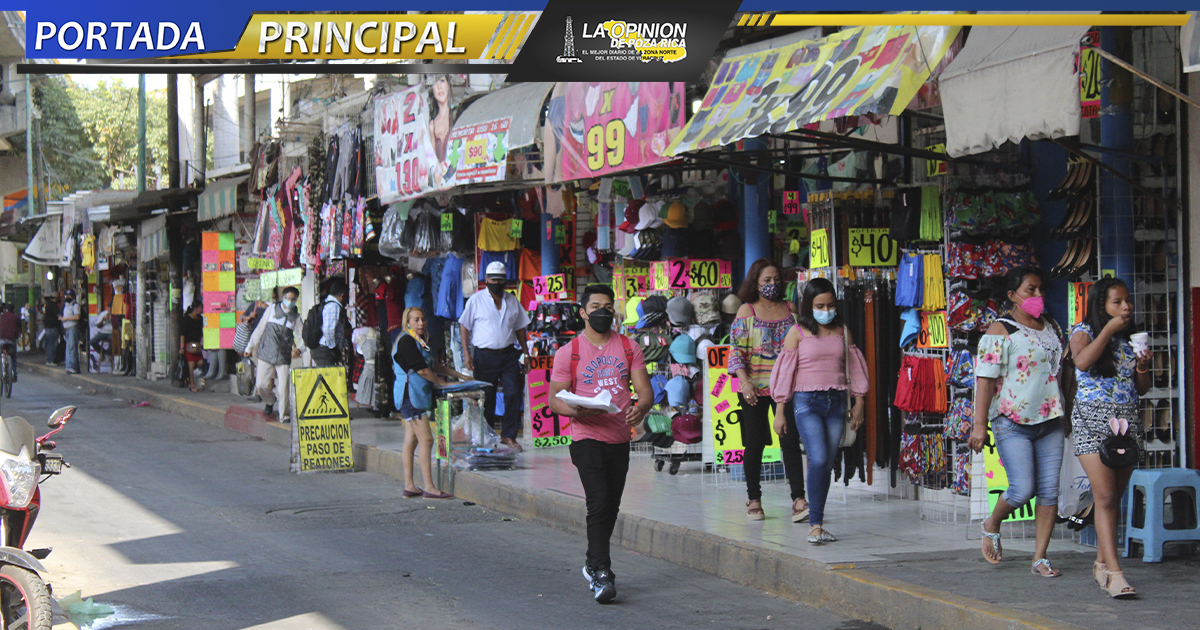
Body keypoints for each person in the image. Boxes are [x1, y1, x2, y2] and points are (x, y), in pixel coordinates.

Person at [546, 284, 652, 604]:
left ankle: (592, 562)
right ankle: (602, 573)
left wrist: (640, 408)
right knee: (599, 501)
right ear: (583, 312)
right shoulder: (570, 352)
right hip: (585, 436)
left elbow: (645, 392)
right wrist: (577, 409)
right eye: (595, 306)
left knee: (612, 506)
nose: (602, 312)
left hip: (619, 436)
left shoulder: (629, 347)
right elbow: (554, 400)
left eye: (608, 306)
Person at [969, 266, 1066, 578]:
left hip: (1051, 419)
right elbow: (985, 381)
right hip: (1012, 421)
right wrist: (978, 424)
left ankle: (1040, 557)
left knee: (1049, 491)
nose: (1038, 296)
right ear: (1012, 296)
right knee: (1023, 490)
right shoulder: (1000, 331)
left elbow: (1063, 371)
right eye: (1030, 290)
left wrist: (1069, 410)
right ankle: (992, 522)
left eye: (1040, 290)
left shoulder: (1050, 325)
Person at [770, 278, 868, 544]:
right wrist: (780, 410)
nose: (826, 310)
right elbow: (785, 373)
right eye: (820, 305)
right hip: (806, 402)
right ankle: (815, 524)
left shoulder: (843, 331)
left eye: (830, 304)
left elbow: (855, 368)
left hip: (835, 403)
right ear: (808, 306)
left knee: (826, 463)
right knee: (820, 457)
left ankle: (818, 522)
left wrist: (859, 402)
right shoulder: (797, 332)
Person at [1068, 277, 1149, 598]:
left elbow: (1142, 389)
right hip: (1091, 420)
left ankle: (1102, 565)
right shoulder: (1083, 331)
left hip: (1127, 422)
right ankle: (1116, 573)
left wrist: (1143, 367)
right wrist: (1108, 330)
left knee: (1114, 497)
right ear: (1102, 305)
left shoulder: (1132, 338)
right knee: (1103, 496)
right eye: (1117, 302)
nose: (1126, 307)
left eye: (1127, 301)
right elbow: (1082, 361)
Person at [729, 258, 807, 522]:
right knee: (754, 442)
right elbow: (736, 351)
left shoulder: (791, 309)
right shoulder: (746, 311)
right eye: (766, 280)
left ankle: (798, 498)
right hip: (753, 388)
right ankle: (754, 498)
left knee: (790, 440)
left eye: (776, 279)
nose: (772, 284)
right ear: (755, 283)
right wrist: (744, 381)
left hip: (786, 388)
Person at [392, 307, 468, 499]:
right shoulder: (406, 341)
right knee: (427, 439)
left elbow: (431, 365)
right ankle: (430, 487)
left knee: (412, 439)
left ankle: (410, 486)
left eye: (423, 319)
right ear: (407, 322)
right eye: (416, 320)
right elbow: (422, 371)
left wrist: (458, 375)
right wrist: (443, 383)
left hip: (416, 395)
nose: (421, 323)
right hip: (410, 395)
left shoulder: (420, 342)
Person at [460, 261, 531, 451]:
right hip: (484, 356)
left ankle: (509, 436)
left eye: (500, 280)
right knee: (486, 397)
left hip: (508, 355)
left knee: (513, 394)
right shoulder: (476, 300)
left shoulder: (512, 300)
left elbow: (520, 328)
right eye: (492, 279)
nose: (496, 283)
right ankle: (487, 436)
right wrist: (467, 354)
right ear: (486, 280)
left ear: (505, 281)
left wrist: (526, 353)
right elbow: (464, 326)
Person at [245, 287, 303, 421]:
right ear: (283, 297)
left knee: (284, 388)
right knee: (261, 385)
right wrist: (249, 347)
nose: (290, 301)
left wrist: (300, 349)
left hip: (283, 356)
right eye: (288, 298)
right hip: (266, 353)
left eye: (293, 299)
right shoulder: (271, 309)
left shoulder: (296, 318)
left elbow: (302, 337)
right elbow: (260, 329)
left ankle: (284, 415)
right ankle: (270, 400)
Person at [313, 279, 349, 368]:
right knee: (327, 379)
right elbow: (328, 330)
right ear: (342, 295)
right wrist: (333, 348)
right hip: (325, 350)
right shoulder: (333, 306)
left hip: (320, 349)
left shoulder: (326, 303)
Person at [180, 303, 205, 392]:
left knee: (201, 362)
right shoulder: (187, 319)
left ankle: (189, 375)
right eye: (201, 307)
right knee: (191, 364)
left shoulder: (200, 319)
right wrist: (182, 347)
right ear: (196, 308)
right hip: (188, 345)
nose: (202, 309)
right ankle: (192, 384)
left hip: (197, 345)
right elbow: (182, 334)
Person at [61, 289, 82, 374]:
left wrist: (66, 319)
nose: (68, 297)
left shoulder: (75, 305)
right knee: (68, 348)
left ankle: (74, 367)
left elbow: (77, 317)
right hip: (66, 328)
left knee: (72, 347)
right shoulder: (66, 305)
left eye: (70, 295)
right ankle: (69, 366)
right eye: (67, 295)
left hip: (73, 328)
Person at [0, 304, 20, 381]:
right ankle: (14, 373)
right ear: (13, 310)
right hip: (12, 339)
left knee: (1, 352)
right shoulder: (16, 317)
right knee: (13, 356)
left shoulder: (1, 317)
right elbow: (19, 327)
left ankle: (3, 370)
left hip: (1, 339)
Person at [41, 296, 60, 366]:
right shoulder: (53, 305)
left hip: (47, 326)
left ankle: (49, 359)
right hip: (53, 326)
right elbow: (57, 314)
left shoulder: (45, 305)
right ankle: (51, 360)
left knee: (49, 343)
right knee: (53, 344)